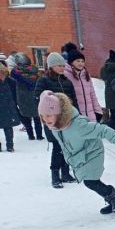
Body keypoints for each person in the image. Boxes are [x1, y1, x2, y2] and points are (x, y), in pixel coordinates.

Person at [37, 91, 115, 214]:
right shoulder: (56, 127)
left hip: (93, 154)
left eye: (49, 115)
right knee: (91, 182)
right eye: (43, 116)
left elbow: (103, 130)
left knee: (91, 182)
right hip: (81, 156)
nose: (46, 119)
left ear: (59, 113)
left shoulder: (78, 125)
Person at [34, 51, 79, 188]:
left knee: (67, 147)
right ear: (51, 66)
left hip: (67, 120)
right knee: (57, 147)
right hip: (53, 121)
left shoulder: (67, 81)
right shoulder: (44, 80)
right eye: (58, 65)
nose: (61, 68)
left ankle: (65, 173)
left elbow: (73, 100)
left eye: (62, 65)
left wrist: (77, 115)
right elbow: (38, 98)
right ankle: (55, 175)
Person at [10, 52, 44, 140]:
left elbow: (12, 85)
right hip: (34, 95)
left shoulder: (15, 72)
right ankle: (39, 136)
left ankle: (31, 136)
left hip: (22, 97)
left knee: (26, 117)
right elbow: (40, 80)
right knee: (37, 117)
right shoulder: (35, 69)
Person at [64, 49, 103, 122]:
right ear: (71, 62)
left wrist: (98, 111)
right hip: (76, 116)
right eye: (78, 61)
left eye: (82, 61)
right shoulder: (66, 75)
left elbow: (92, 94)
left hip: (90, 115)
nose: (81, 63)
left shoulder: (85, 74)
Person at [100, 50, 115, 129]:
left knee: (113, 114)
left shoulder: (103, 69)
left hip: (108, 94)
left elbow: (103, 77)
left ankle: (113, 130)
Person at [0, 65, 21, 152]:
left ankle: (10, 145)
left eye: (2, 72)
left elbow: (15, 94)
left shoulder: (11, 81)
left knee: (8, 127)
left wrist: (16, 104)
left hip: (9, 107)